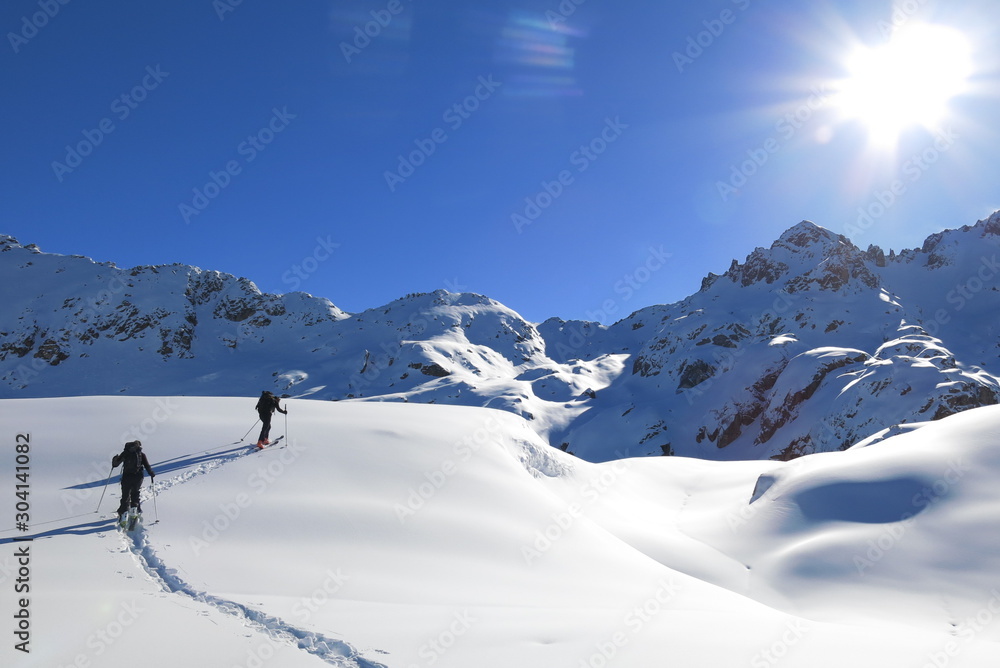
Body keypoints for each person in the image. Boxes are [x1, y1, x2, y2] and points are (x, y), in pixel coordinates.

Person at [112, 440, 155, 522]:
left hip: (127, 477)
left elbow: (115, 464)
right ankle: (134, 511)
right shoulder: (141, 455)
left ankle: (123, 513)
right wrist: (151, 473)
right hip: (138, 477)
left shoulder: (126, 453)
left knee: (125, 495)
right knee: (135, 493)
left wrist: (114, 459)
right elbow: (147, 466)